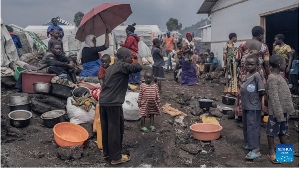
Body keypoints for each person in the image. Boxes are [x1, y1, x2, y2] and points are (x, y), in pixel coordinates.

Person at [99, 47, 142, 165]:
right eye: (130, 57)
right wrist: (137, 57)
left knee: (106, 128)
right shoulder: (122, 66)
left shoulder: (111, 67)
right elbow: (138, 67)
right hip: (113, 103)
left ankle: (107, 152)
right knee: (115, 130)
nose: (131, 59)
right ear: (124, 58)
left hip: (104, 101)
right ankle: (116, 157)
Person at [235, 26, 270, 121]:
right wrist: (268, 75)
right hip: (259, 73)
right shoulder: (264, 47)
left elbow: (237, 58)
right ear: (260, 35)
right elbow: (266, 63)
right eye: (262, 35)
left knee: (244, 92)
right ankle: (259, 113)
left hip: (244, 73)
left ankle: (242, 114)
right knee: (259, 92)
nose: (263, 36)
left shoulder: (242, 45)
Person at [266, 54, 295, 164]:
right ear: (279, 65)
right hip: (276, 112)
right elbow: (273, 97)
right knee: (272, 132)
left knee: (283, 131)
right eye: (284, 63)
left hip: (283, 111)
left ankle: (285, 150)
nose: (286, 64)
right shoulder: (272, 78)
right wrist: (278, 113)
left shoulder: (280, 77)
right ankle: (271, 151)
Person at [240, 54, 265, 160]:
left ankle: (256, 149)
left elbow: (262, 91)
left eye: (252, 64)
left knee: (253, 127)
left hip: (253, 107)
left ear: (257, 65)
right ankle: (250, 144)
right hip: (246, 106)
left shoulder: (257, 76)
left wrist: (254, 99)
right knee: (246, 126)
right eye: (247, 64)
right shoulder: (246, 75)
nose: (249, 66)